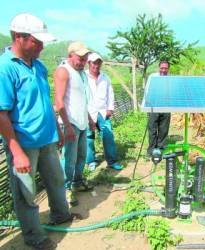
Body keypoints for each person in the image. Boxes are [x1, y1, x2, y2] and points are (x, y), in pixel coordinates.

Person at [0, 13, 79, 250]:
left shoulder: (39, 66)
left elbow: (46, 102)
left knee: (56, 179)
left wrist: (57, 130)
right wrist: (17, 152)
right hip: (23, 143)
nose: (42, 46)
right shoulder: (5, 69)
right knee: (26, 193)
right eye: (37, 41)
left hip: (46, 137)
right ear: (19, 37)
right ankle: (34, 236)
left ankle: (60, 215)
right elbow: (1, 113)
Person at [54, 42, 95, 206]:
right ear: (70, 55)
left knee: (81, 156)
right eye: (80, 58)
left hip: (82, 122)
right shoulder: (64, 71)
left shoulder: (81, 73)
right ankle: (66, 189)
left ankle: (77, 182)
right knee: (69, 159)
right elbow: (59, 101)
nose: (83, 61)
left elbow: (82, 101)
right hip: (70, 123)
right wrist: (67, 126)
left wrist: (90, 120)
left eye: (85, 58)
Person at [85, 52, 123, 171]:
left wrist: (110, 108)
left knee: (108, 136)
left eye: (99, 62)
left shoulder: (105, 77)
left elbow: (110, 93)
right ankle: (91, 161)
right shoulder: (83, 76)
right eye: (94, 63)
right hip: (88, 112)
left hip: (102, 112)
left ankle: (111, 161)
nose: (96, 65)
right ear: (89, 63)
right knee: (89, 137)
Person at [147, 60, 171, 156]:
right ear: (159, 68)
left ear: (168, 69)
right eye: (162, 68)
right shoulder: (153, 77)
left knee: (163, 129)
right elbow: (148, 90)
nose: (163, 70)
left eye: (165, 68)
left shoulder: (170, 79)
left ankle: (161, 149)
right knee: (152, 129)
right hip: (154, 106)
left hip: (166, 106)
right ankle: (151, 150)